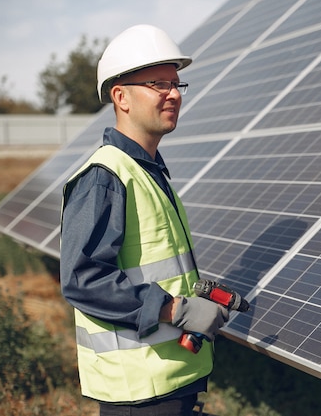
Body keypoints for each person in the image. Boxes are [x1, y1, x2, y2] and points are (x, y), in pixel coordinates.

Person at [59, 24, 229, 416]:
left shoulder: (147, 170)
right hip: (140, 391)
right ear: (121, 97)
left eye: (176, 84)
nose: (173, 94)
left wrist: (192, 295)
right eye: (158, 84)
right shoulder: (105, 177)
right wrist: (175, 311)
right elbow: (83, 279)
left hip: (168, 378)